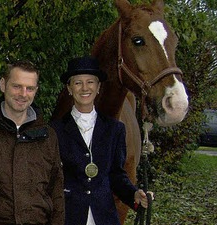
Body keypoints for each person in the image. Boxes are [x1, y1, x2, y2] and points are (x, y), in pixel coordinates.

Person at [0, 61, 65, 225]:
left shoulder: (47, 136)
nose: (23, 93)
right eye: (17, 86)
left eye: (29, 88)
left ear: (36, 91)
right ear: (3, 84)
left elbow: (56, 191)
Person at [50, 56, 152, 225]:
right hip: (68, 216)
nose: (84, 88)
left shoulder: (115, 129)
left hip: (104, 216)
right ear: (69, 88)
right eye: (77, 83)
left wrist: (134, 194)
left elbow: (117, 175)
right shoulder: (54, 131)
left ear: (98, 87)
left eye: (90, 82)